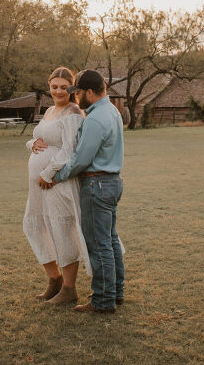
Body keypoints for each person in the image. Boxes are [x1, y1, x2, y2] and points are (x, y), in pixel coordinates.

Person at [40, 69, 125, 314]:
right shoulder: (111, 111)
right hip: (111, 182)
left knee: (99, 245)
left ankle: (103, 300)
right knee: (109, 241)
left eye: (77, 92)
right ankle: (115, 292)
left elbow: (81, 159)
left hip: (97, 184)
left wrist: (56, 176)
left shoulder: (96, 119)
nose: (76, 97)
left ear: (89, 92)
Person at [24, 67, 91, 305]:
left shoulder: (73, 112)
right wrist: (31, 143)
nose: (59, 91)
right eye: (54, 87)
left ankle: (69, 289)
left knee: (62, 230)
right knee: (34, 226)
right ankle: (55, 279)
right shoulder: (49, 110)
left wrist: (48, 172)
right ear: (49, 87)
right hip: (38, 186)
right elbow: (40, 137)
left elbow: (70, 149)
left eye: (64, 87)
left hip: (57, 181)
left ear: (71, 88)